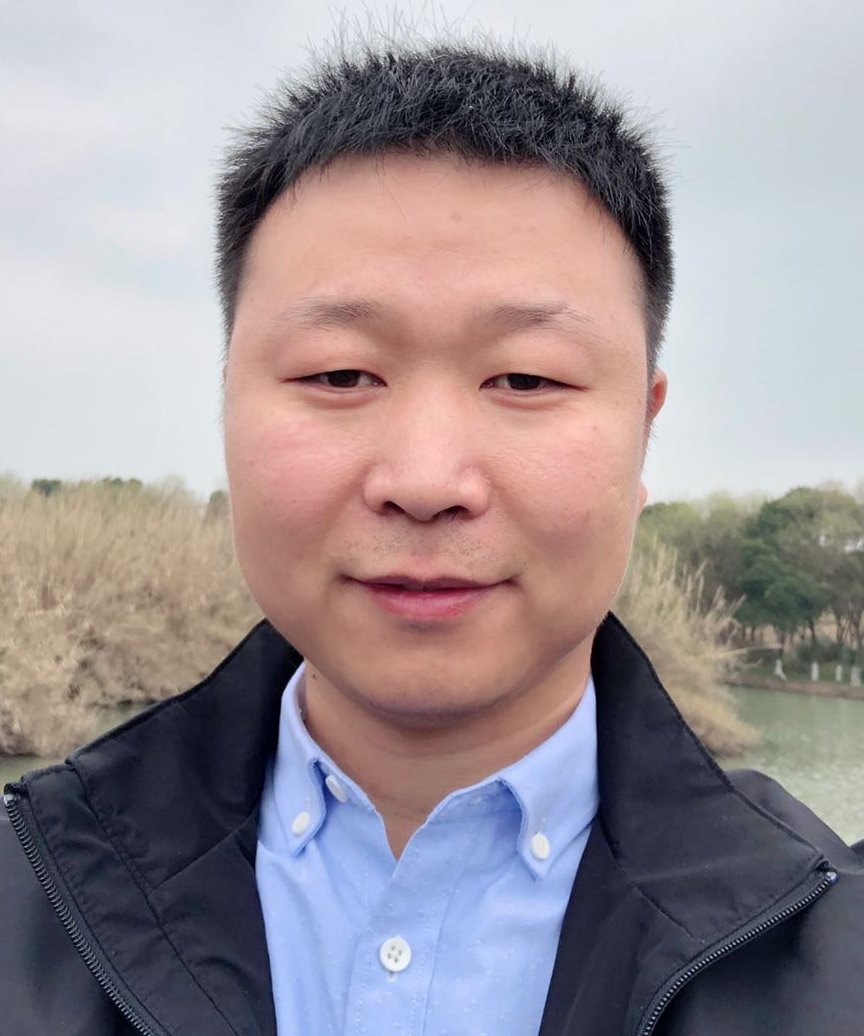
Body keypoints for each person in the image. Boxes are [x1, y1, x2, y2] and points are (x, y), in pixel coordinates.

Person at [2, 37, 862, 1036]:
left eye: (526, 379)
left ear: (644, 427)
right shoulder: (30, 894)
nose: (423, 482)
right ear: (227, 400)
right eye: (339, 374)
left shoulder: (831, 952)